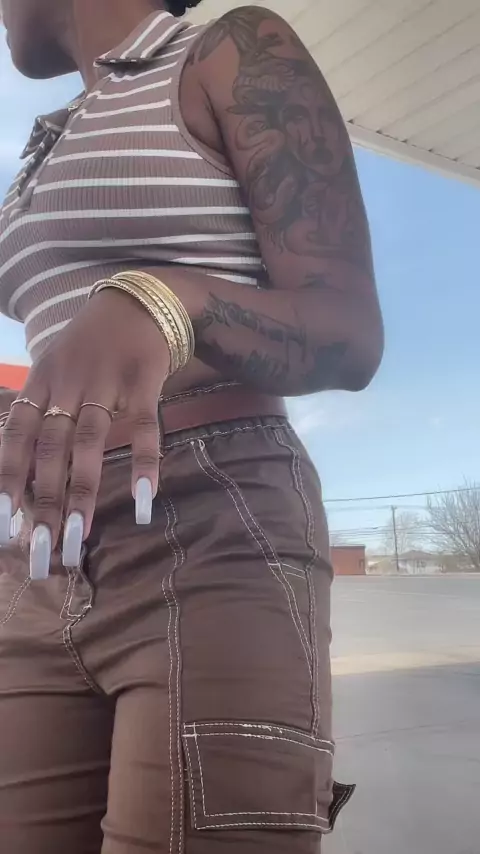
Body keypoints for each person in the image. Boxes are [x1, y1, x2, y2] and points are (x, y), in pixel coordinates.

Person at [0, 1, 384, 851]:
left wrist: (164, 300)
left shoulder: (227, 50)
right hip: (43, 550)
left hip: (209, 512)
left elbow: (349, 332)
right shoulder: (54, 133)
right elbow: (70, 348)